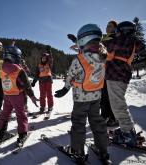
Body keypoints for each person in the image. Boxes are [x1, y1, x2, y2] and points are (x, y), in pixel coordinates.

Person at [54, 24, 111, 164]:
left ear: (84, 40)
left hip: (81, 98)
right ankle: (103, 150)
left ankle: (77, 152)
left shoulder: (79, 60)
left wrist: (65, 88)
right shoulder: (104, 56)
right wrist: (76, 41)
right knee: (97, 122)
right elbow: (94, 46)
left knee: (79, 123)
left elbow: (70, 76)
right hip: (96, 96)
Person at [106, 21, 144, 147]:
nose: (115, 34)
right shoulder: (132, 41)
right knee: (119, 104)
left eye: (117, 31)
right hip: (122, 76)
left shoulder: (123, 40)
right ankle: (127, 128)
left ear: (123, 31)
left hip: (115, 75)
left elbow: (107, 47)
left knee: (118, 106)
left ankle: (127, 134)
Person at [0, 46, 39, 146]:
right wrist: (32, 96)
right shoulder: (18, 69)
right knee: (21, 115)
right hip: (18, 95)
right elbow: (26, 84)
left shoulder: (3, 67)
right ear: (15, 57)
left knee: (5, 114)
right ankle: (22, 135)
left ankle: (1, 134)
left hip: (7, 95)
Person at [101, 20, 119, 127]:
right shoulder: (104, 40)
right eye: (107, 26)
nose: (108, 27)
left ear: (115, 28)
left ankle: (114, 118)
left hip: (114, 72)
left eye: (110, 26)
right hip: (104, 72)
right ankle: (104, 116)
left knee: (112, 96)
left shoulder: (116, 39)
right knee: (104, 96)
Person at [31, 47, 54, 114]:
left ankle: (50, 106)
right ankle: (42, 107)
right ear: (41, 58)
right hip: (41, 81)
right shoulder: (39, 65)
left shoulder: (49, 64)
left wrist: (49, 52)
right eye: (42, 58)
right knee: (42, 95)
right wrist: (34, 82)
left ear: (46, 59)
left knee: (49, 94)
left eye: (45, 58)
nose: (43, 59)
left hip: (48, 81)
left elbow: (51, 59)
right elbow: (36, 74)